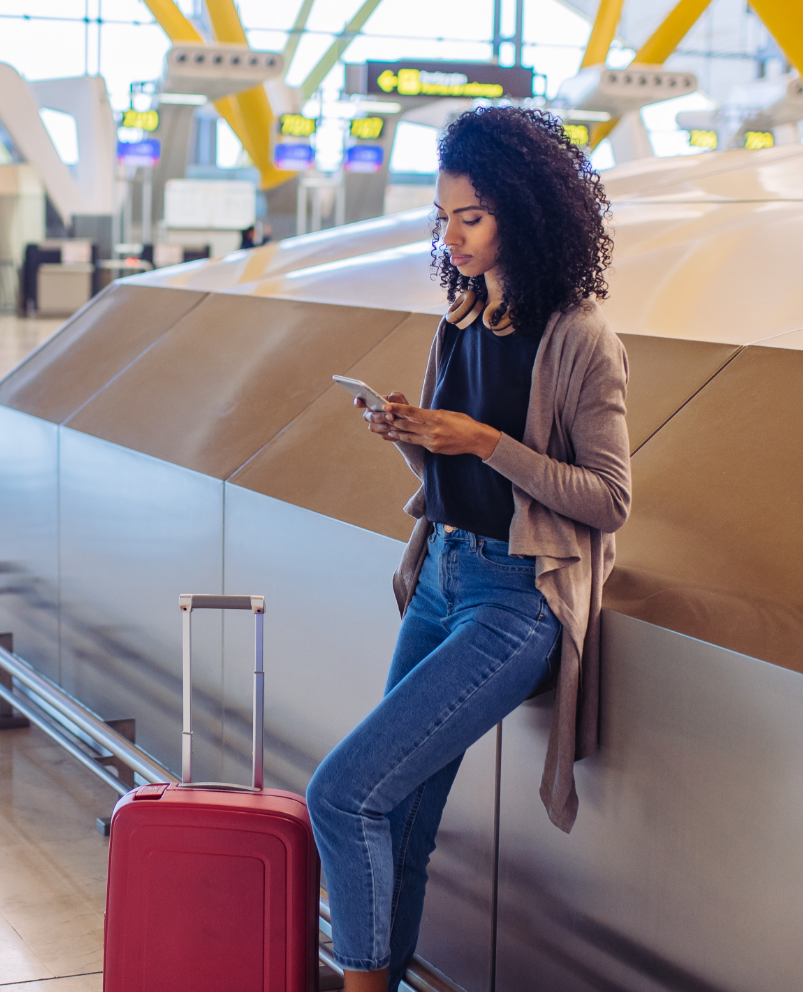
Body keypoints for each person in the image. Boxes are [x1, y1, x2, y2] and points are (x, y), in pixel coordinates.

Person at [306, 105, 630, 992]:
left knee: (339, 795)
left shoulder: (579, 338)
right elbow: (455, 469)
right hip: (442, 576)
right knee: (400, 819)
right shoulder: (457, 316)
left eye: (471, 218)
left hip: (514, 599)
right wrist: (412, 434)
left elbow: (607, 499)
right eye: (442, 218)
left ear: (524, 213)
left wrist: (482, 441)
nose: (452, 238)